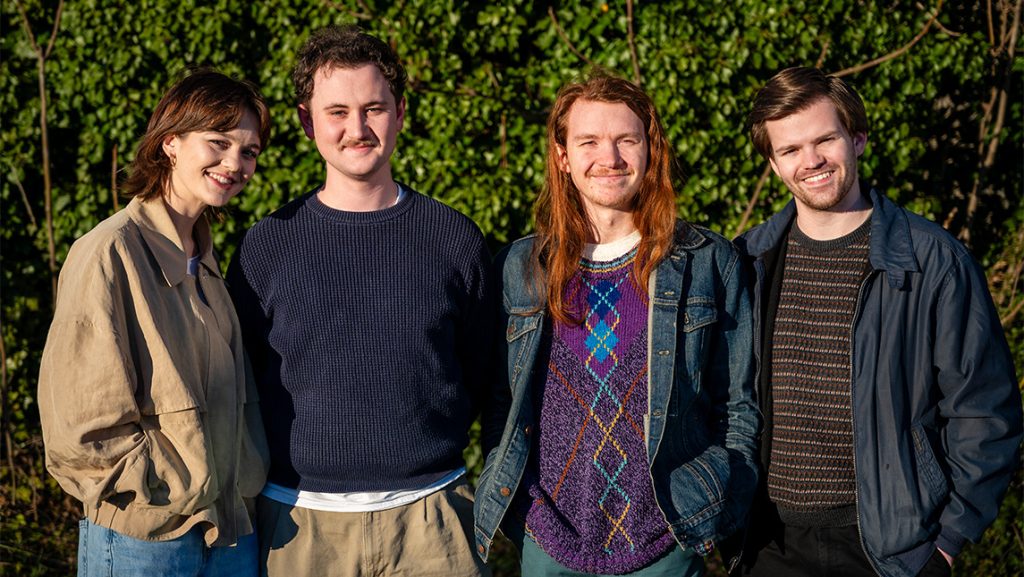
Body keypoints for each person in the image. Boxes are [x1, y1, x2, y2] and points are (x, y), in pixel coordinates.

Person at [733, 66, 1023, 577]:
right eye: (791, 149)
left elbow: (984, 411)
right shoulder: (748, 263)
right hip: (769, 544)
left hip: (889, 550)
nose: (811, 161)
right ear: (774, 165)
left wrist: (948, 542)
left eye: (825, 140)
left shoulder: (933, 261)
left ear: (858, 139)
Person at [226, 25, 492, 577]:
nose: (357, 129)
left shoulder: (454, 239)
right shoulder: (267, 246)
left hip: (433, 521)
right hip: (300, 526)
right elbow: (239, 382)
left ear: (399, 112)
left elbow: (483, 373)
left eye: (374, 108)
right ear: (307, 122)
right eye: (337, 112)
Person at [473, 73, 759, 577]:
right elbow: (502, 405)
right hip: (549, 543)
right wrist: (527, 517)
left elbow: (738, 407)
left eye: (627, 140)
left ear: (650, 150)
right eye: (589, 141)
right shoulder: (520, 268)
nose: (609, 158)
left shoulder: (707, 263)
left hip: (668, 542)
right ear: (563, 155)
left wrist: (712, 504)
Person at [38, 69, 272, 577]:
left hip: (230, 530)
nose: (235, 163)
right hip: (145, 537)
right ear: (170, 142)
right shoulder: (109, 251)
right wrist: (162, 488)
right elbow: (80, 427)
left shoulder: (207, 260)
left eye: (249, 151)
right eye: (218, 142)